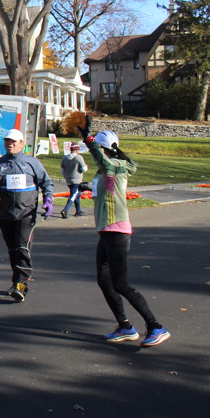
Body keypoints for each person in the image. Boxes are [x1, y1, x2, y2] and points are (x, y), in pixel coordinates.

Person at [78, 117, 170, 347]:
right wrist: (87, 187)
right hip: (105, 232)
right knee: (104, 281)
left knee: (120, 283)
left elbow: (106, 165)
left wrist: (89, 140)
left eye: (98, 150)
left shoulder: (116, 165)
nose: (94, 155)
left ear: (105, 149)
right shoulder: (103, 171)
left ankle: (156, 326)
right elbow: (103, 185)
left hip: (117, 230)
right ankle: (126, 327)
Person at [0, 129, 54, 302]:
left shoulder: (32, 163)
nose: (10, 144)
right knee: (12, 249)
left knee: (22, 247)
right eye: (7, 141)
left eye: (14, 141)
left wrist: (48, 199)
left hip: (26, 213)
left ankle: (21, 285)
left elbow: (46, 182)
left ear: (22, 144)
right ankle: (16, 282)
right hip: (6, 214)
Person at [59, 142, 88, 219]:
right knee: (73, 195)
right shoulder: (78, 157)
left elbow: (62, 170)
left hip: (68, 180)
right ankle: (65, 210)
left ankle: (78, 211)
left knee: (77, 195)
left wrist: (66, 176)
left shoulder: (65, 158)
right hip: (77, 180)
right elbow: (84, 169)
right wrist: (85, 167)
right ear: (76, 150)